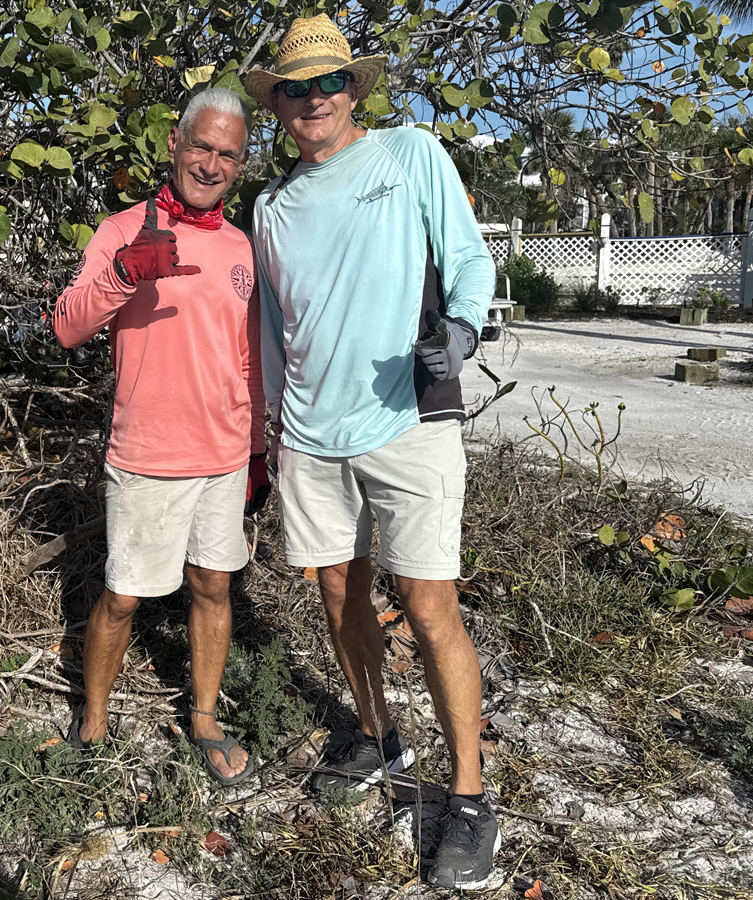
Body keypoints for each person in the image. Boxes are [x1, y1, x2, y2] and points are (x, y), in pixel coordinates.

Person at [244, 15, 499, 889]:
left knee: (430, 608)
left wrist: (460, 330)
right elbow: (276, 331)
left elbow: (468, 260)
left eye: (329, 83)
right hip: (309, 438)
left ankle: (467, 795)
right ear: (274, 103)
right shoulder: (268, 206)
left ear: (355, 89)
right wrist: (270, 427)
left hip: (408, 423)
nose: (313, 99)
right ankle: (379, 736)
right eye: (295, 87)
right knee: (338, 598)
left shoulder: (411, 154)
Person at [52, 88, 268, 787]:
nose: (211, 163)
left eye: (227, 154)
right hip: (147, 453)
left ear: (241, 164)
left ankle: (203, 718)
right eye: (201, 146)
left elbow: (248, 356)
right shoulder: (122, 230)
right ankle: (92, 721)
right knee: (124, 595)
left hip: (224, 454)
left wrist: (259, 450)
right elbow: (66, 326)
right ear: (174, 143)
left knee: (213, 586)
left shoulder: (242, 246)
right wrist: (124, 274)